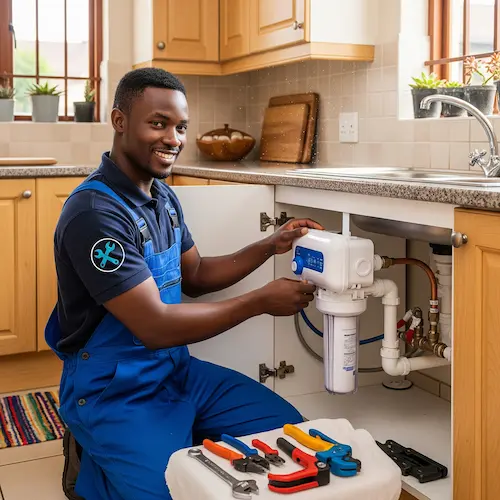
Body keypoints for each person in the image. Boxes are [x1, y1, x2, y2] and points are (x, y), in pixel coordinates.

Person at [46, 67, 323, 500]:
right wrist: (259, 301)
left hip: (176, 372)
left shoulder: (163, 198)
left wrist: (272, 245)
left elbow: (195, 276)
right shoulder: (94, 213)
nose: (173, 138)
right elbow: (153, 326)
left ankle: (167, 435)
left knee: (292, 438)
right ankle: (92, 457)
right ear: (120, 121)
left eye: (180, 127)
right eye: (158, 123)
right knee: (169, 493)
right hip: (113, 390)